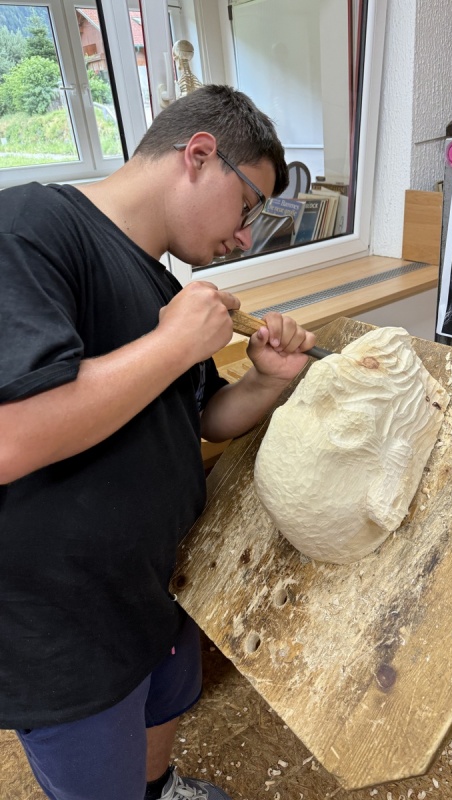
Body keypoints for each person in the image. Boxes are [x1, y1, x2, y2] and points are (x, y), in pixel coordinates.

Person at [0, 84, 316, 800]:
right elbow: (11, 435)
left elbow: (199, 417)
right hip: (67, 624)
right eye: (248, 208)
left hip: (155, 585)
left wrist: (266, 381)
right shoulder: (30, 228)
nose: (243, 237)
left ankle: (161, 788)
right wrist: (173, 344)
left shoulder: (158, 280)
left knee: (159, 718)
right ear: (199, 155)